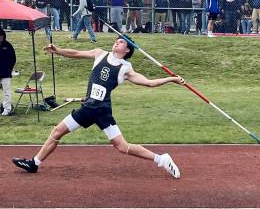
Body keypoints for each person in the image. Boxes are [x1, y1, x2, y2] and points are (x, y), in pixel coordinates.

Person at [12, 36, 184, 179]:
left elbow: (149, 83)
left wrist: (172, 79)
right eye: (117, 40)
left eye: (122, 42)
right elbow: (76, 53)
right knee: (57, 132)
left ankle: (162, 159)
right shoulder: (100, 53)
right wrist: (58, 50)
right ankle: (34, 163)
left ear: (127, 50)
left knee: (122, 146)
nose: (117, 42)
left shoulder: (125, 68)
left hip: (102, 111)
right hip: (87, 108)